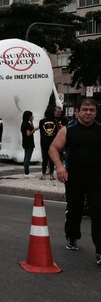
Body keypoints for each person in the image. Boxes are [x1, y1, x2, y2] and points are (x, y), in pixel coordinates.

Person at [49, 98, 101, 265]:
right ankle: (72, 237)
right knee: (74, 210)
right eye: (85, 109)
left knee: (98, 213)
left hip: (97, 179)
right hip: (74, 178)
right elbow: (53, 148)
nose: (88, 112)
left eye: (91, 110)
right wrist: (59, 167)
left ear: (96, 112)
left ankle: (100, 251)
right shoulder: (67, 130)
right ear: (77, 111)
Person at [39, 106, 58, 180]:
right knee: (52, 159)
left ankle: (43, 175)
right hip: (52, 142)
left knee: (44, 159)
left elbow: (41, 132)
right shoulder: (55, 121)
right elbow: (56, 132)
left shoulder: (41, 121)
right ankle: (51, 175)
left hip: (44, 142)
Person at [20, 111, 36, 177]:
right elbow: (28, 134)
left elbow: (31, 129)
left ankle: (26, 172)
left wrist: (32, 122)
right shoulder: (26, 124)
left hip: (25, 142)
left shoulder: (24, 123)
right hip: (29, 142)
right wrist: (34, 129)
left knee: (26, 156)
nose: (32, 117)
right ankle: (27, 173)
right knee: (27, 157)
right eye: (31, 116)